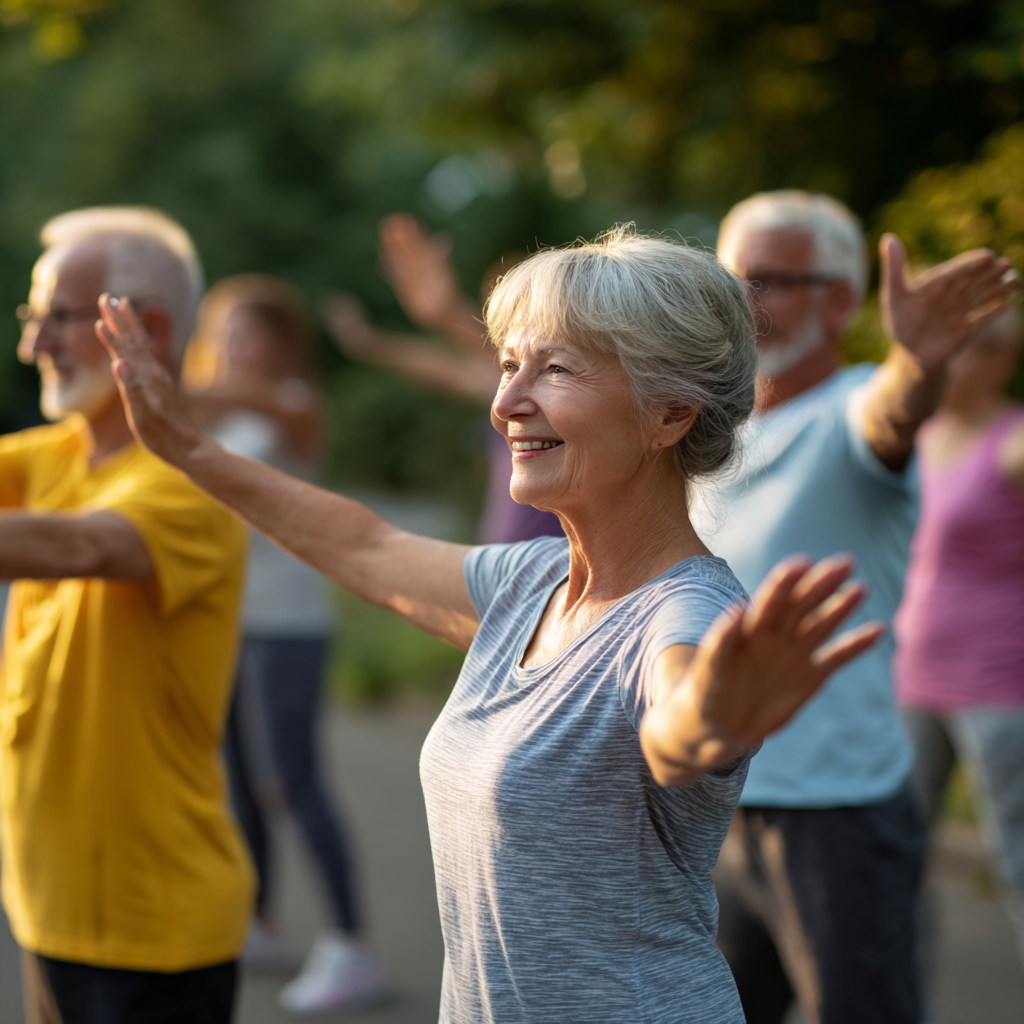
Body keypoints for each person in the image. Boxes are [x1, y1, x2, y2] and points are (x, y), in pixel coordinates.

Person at [100, 226, 883, 1024]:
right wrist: (188, 449)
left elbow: (679, 729)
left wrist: (713, 718)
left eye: (557, 369)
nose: (507, 401)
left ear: (670, 415)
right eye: (511, 364)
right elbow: (364, 544)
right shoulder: (529, 581)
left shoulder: (684, 615)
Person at [691, 190, 1017, 1024]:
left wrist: (921, 364)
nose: (742, 298)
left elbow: (894, 411)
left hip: (835, 814)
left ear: (838, 300)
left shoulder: (854, 405)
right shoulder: (715, 433)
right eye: (732, 277)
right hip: (718, 797)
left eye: (766, 279)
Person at [1, 207, 251, 1024]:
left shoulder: (189, 482)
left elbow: (80, 550)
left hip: (150, 939)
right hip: (55, 918)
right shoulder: (60, 453)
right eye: (31, 318)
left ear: (139, 328)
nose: (32, 345)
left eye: (55, 319)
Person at [184, 275, 384, 1012]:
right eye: (223, 329)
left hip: (289, 621)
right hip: (230, 619)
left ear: (279, 338)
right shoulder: (215, 401)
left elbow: (225, 402)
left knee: (290, 782)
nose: (234, 344)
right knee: (240, 783)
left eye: (248, 330)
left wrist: (166, 382)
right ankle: (262, 922)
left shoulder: (293, 402)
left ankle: (353, 946)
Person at [893, 306, 1024, 967]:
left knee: (1017, 860)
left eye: (966, 352)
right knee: (897, 864)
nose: (947, 366)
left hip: (999, 686)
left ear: (1001, 357)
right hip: (911, 680)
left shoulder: (1015, 441)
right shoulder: (920, 437)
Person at [323, 213, 562, 542]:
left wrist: (448, 314)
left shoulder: (562, 382)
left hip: (552, 564)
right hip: (505, 560)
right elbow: (442, 367)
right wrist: (372, 344)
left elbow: (507, 359)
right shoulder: (503, 385)